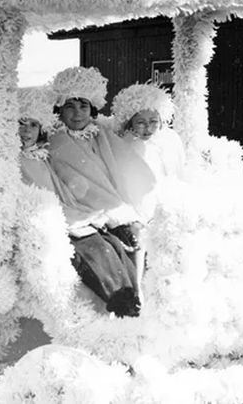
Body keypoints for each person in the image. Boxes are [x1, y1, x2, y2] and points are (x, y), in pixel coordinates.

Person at [47, 67, 157, 317]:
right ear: (60, 109)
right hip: (75, 210)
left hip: (110, 206)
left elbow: (125, 167)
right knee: (102, 251)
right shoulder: (53, 140)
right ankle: (125, 303)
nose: (77, 114)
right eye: (70, 107)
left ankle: (140, 299)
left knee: (137, 240)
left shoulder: (100, 134)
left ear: (92, 109)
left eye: (83, 107)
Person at [111, 83, 185, 183]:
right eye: (141, 122)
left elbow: (179, 175)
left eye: (153, 121)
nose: (148, 127)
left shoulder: (171, 140)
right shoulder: (125, 147)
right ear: (130, 124)